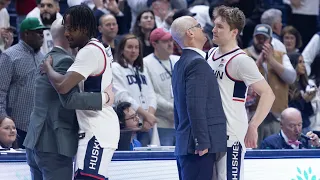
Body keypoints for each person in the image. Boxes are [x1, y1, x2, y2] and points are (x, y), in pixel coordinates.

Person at [23, 18, 112, 180]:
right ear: (68, 34)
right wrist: (104, 99)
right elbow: (69, 99)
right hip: (54, 144)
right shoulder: (65, 61)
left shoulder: (46, 58)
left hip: (35, 140)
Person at [207, 6, 275, 180]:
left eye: (220, 26)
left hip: (232, 133)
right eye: (214, 25)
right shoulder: (211, 54)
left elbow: (268, 94)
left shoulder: (241, 60)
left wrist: (253, 125)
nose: (214, 30)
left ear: (234, 32)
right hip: (211, 132)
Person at [170, 16, 227, 180]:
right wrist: (201, 141)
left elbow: (179, 107)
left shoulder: (180, 63)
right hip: (197, 147)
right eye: (199, 26)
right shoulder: (197, 63)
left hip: (185, 143)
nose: (204, 30)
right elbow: (195, 105)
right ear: (190, 33)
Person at [0, 17, 46, 148]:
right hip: (16, 128)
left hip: (39, 127)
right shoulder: (10, 56)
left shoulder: (43, 57)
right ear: (26, 34)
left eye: (42, 31)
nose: (42, 35)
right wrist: (3, 119)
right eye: (38, 32)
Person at [143, 28, 180, 146]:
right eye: (165, 41)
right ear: (154, 44)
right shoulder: (146, 63)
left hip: (181, 122)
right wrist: (173, 108)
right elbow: (151, 94)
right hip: (162, 123)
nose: (170, 44)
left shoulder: (178, 60)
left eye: (171, 40)